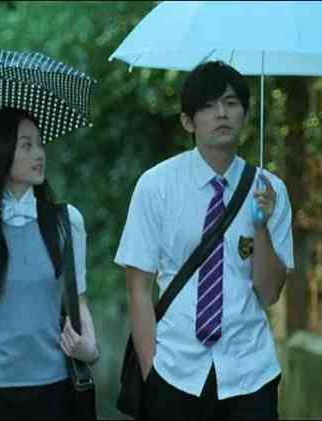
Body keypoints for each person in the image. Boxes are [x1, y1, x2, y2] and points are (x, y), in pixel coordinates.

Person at [114, 61, 294, 420]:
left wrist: (260, 226)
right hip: (174, 370)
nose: (222, 113)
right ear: (188, 121)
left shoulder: (269, 191)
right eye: (209, 106)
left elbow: (270, 293)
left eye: (231, 103)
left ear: (245, 114)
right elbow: (138, 288)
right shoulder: (156, 186)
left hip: (249, 372)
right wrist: (151, 373)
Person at [0, 107, 99, 420]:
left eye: (40, 144)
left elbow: (77, 298)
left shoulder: (66, 222)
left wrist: (90, 347)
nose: (39, 153)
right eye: (26, 145)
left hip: (53, 387)